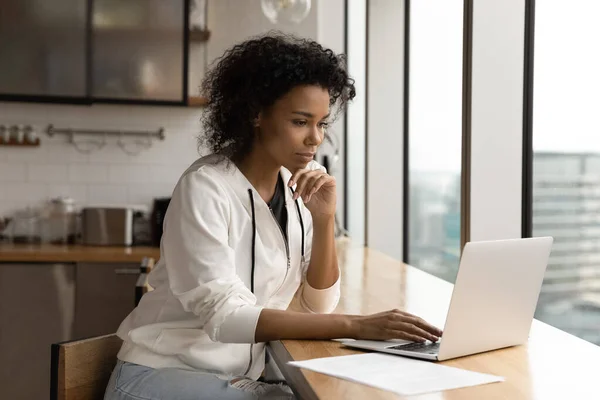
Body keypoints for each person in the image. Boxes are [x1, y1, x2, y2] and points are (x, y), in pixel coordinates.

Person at [104, 33, 442, 400]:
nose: (316, 139)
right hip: (160, 376)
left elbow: (318, 305)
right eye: (301, 122)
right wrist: (358, 326)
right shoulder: (206, 188)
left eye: (322, 123)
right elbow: (225, 317)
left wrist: (325, 217)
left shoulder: (294, 188)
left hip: (234, 378)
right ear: (256, 114)